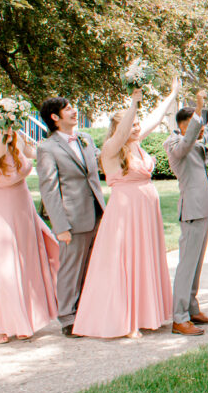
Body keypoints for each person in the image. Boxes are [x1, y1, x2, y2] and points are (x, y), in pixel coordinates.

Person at [73, 80, 180, 338]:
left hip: (146, 212)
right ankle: (126, 319)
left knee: (143, 258)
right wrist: (134, 102)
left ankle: (144, 314)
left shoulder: (136, 143)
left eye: (137, 124)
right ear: (120, 127)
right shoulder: (112, 147)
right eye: (133, 124)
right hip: (126, 211)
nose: (137, 127)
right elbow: (122, 133)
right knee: (127, 259)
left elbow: (155, 119)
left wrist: (172, 94)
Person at [0, 110, 59, 343]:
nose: (12, 129)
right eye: (5, 124)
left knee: (28, 262)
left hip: (22, 208)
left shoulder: (16, 142)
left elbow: (38, 151)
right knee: (4, 267)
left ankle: (27, 319)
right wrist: (6, 135)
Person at [37, 95, 107, 337]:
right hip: (72, 218)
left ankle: (87, 313)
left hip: (97, 212)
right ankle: (67, 317)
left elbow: (97, 166)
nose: (73, 111)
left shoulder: (85, 138)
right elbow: (49, 190)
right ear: (54, 117)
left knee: (92, 266)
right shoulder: (47, 148)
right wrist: (60, 226)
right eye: (67, 109)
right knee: (70, 269)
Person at [165, 90, 208, 336]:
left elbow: (206, 132)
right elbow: (189, 141)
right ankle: (179, 318)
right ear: (184, 125)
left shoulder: (196, 138)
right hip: (191, 210)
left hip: (203, 209)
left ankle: (192, 309)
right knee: (186, 265)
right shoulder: (174, 144)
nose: (202, 129)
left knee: (196, 264)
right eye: (196, 124)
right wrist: (199, 109)